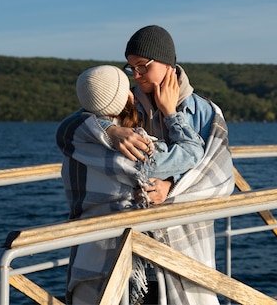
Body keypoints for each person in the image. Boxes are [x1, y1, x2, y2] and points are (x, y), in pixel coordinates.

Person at [103, 24, 236, 305]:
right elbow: (72, 129)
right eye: (130, 68)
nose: (136, 76)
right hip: (131, 244)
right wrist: (110, 131)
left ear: (166, 63)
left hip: (184, 242)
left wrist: (170, 187)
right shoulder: (122, 104)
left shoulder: (205, 112)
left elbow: (220, 180)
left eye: (142, 67)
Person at [56, 64, 206, 304]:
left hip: (88, 260)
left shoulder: (75, 141)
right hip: (125, 268)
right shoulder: (139, 147)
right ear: (126, 98)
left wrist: (108, 128)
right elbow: (193, 152)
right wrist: (170, 113)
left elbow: (68, 126)